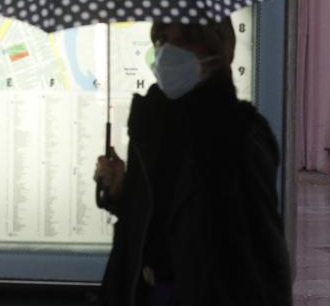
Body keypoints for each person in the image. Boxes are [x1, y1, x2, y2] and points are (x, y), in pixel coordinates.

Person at [94, 18, 291, 306]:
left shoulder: (241, 134)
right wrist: (122, 192)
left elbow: (264, 254)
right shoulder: (150, 124)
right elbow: (154, 217)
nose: (168, 51)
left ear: (219, 50)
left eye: (185, 40)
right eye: (162, 39)